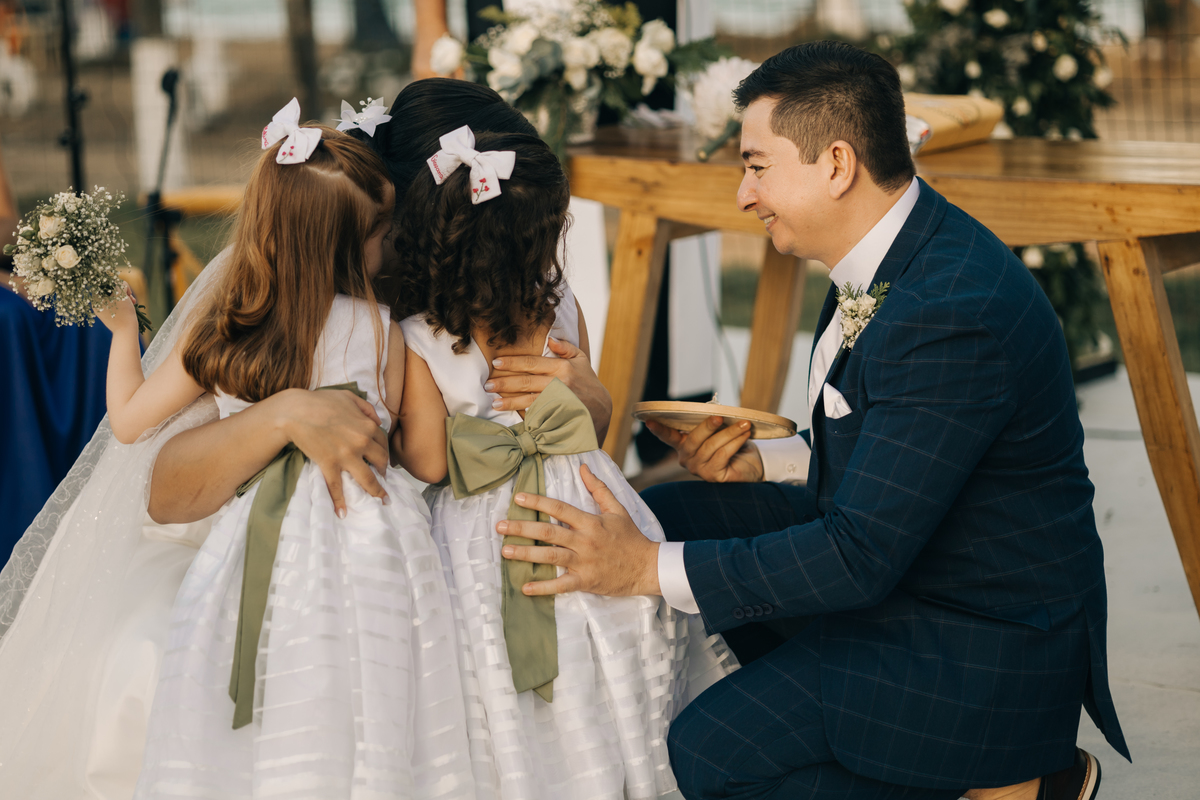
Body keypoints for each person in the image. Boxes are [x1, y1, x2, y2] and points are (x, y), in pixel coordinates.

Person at [486, 42, 1129, 800]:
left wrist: (643, 570)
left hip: (977, 642)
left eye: (757, 166)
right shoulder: (889, 249)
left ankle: (1017, 783)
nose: (743, 195)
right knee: (669, 515)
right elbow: (904, 449)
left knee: (708, 752)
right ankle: (842, 721)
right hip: (916, 564)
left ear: (837, 164)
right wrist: (766, 460)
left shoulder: (951, 313)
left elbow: (859, 555)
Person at [95, 116, 473, 798]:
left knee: (262, 658)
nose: (388, 246)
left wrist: (125, 331)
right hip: (374, 534)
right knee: (381, 667)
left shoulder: (228, 329)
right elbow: (402, 446)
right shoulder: (382, 330)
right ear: (344, 247)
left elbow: (127, 423)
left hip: (258, 541)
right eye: (380, 234)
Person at [393, 125, 736, 800]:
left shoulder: (417, 335)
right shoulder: (560, 303)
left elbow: (429, 462)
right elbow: (586, 423)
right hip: (583, 496)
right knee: (601, 643)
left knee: (488, 658)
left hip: (486, 526)